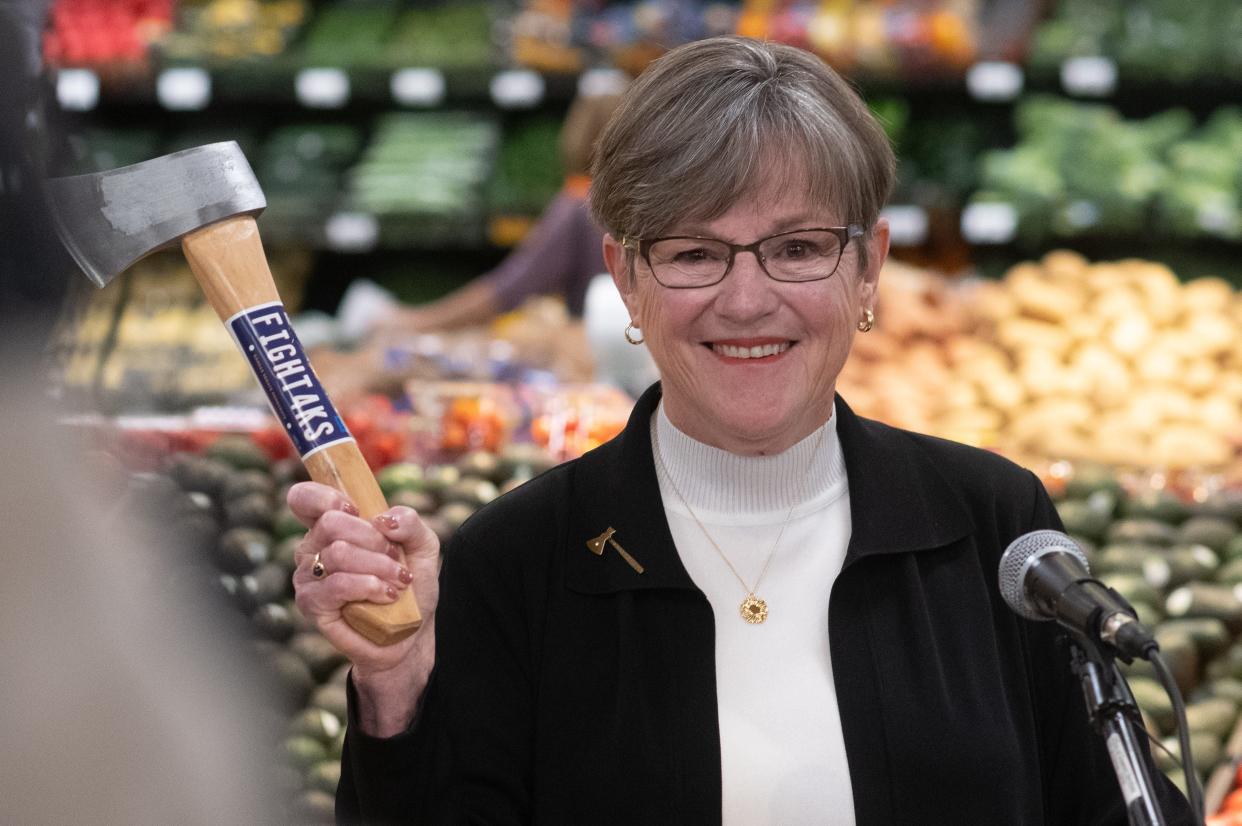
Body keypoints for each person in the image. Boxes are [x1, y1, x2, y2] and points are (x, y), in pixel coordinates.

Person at [288, 36, 1194, 824]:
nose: (748, 299)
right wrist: (396, 683)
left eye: (798, 247)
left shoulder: (995, 524)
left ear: (869, 268)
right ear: (628, 280)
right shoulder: (516, 561)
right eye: (694, 253)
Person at [370, 89, 623, 335]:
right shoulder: (631, 202)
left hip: (594, 347)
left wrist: (415, 322)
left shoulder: (578, 205)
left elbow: (510, 288)